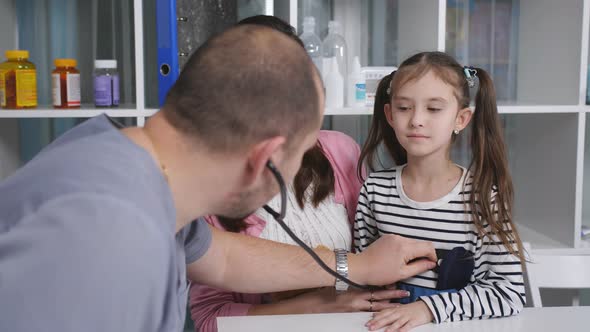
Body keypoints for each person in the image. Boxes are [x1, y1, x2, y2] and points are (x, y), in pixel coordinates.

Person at [0, 25, 436, 331]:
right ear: (265, 158)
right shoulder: (108, 235)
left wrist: (354, 266)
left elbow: (226, 258)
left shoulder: (136, 170)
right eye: (302, 153)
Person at [189, 16, 408, 332]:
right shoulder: (208, 186)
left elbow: (376, 251)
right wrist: (320, 306)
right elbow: (210, 318)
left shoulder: (338, 150)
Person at [354, 51, 526, 332]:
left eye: (434, 109)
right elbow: (362, 277)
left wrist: (429, 309)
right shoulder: (375, 190)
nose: (416, 120)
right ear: (389, 114)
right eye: (404, 107)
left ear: (461, 119)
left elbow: (509, 293)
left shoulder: (483, 196)